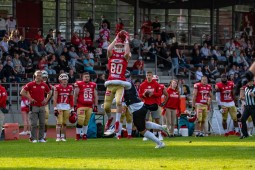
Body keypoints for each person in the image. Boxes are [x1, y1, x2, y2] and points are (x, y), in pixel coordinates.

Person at [123, 70, 168, 148]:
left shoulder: (127, 84)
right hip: (141, 106)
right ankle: (161, 127)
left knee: (142, 130)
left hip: (137, 109)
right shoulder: (131, 83)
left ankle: (160, 143)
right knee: (144, 123)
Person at [103, 30, 131, 132]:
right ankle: (110, 118)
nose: (119, 47)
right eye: (117, 46)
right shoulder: (111, 55)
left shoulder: (125, 56)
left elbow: (127, 53)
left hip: (120, 84)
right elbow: (108, 49)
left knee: (119, 102)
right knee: (106, 107)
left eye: (121, 46)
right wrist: (116, 38)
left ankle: (117, 122)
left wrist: (126, 41)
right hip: (110, 83)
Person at [20, 70, 51, 143]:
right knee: (33, 123)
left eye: (40, 75)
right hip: (34, 106)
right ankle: (33, 138)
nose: (38, 77)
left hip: (42, 106)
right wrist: (30, 98)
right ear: (35, 76)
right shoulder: (30, 84)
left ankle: (41, 138)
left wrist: (46, 100)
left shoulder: (44, 85)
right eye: (37, 75)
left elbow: (50, 92)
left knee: (42, 123)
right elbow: (22, 92)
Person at [138, 71, 163, 141]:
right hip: (146, 104)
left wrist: (153, 94)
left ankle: (160, 134)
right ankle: (147, 135)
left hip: (154, 104)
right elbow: (139, 95)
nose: (148, 76)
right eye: (147, 75)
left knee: (157, 119)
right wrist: (143, 95)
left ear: (152, 76)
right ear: (146, 76)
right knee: (146, 120)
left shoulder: (156, 84)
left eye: (150, 75)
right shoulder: (142, 85)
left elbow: (160, 93)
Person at [74, 72, 98, 140]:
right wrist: (75, 105)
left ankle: (84, 135)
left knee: (86, 121)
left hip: (90, 106)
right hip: (81, 105)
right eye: (85, 77)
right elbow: (75, 95)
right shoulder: (79, 84)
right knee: (81, 120)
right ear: (82, 77)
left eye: (88, 76)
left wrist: (95, 106)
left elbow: (96, 96)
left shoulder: (93, 85)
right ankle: (78, 135)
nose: (87, 78)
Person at [53, 73, 74, 142]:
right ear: (60, 80)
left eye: (66, 79)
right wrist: (55, 108)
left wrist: (72, 109)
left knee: (64, 123)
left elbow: (71, 98)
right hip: (59, 106)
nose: (65, 81)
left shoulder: (70, 87)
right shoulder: (57, 87)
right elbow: (55, 98)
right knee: (59, 123)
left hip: (67, 106)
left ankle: (62, 137)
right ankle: (58, 137)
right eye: (63, 79)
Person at [41, 70, 53, 140]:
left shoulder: (49, 86)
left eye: (45, 78)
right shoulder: (35, 84)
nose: (44, 79)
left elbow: (50, 94)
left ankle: (44, 136)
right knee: (34, 122)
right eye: (43, 77)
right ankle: (32, 136)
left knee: (45, 121)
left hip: (45, 105)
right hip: (36, 105)